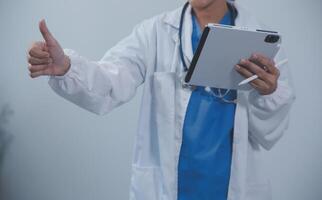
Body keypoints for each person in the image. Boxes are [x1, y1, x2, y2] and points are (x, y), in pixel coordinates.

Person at [27, 0, 295, 199]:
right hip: (165, 189)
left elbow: (270, 132)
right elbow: (110, 81)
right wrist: (66, 67)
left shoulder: (261, 38)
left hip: (230, 187)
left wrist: (268, 92)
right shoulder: (154, 32)